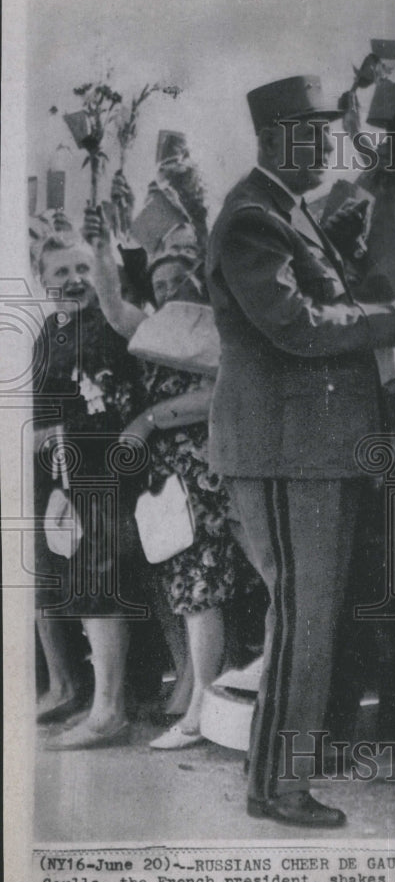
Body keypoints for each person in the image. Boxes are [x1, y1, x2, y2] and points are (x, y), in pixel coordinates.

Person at [206, 74, 395, 826]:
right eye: (315, 136)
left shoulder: (284, 210)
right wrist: (390, 316)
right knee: (301, 617)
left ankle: (285, 774)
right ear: (274, 140)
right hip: (283, 450)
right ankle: (277, 787)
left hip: (309, 447)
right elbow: (296, 325)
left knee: (310, 616)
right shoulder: (251, 217)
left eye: (332, 135)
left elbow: (330, 301)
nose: (328, 147)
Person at [84, 209, 264, 750]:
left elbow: (219, 398)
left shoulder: (220, 325)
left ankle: (200, 713)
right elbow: (115, 309)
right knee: (190, 591)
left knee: (204, 590)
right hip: (172, 478)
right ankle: (201, 703)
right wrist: (98, 253)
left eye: (176, 277)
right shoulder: (157, 325)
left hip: (209, 469)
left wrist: (150, 419)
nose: (166, 288)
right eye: (158, 282)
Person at [33, 233, 146, 750]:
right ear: (44, 282)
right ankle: (103, 703)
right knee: (86, 585)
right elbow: (37, 417)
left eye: (81, 268)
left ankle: (110, 711)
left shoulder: (113, 318)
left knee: (102, 583)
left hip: (115, 469)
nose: (74, 279)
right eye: (61, 273)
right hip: (69, 477)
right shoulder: (47, 338)